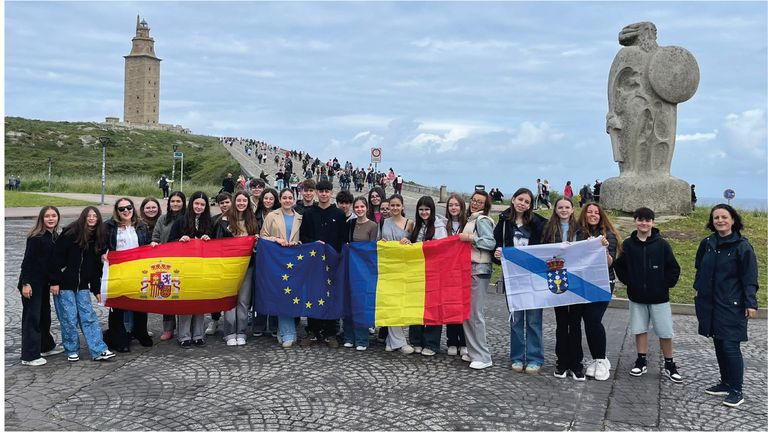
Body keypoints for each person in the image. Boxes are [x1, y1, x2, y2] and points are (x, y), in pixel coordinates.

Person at [694, 204, 759, 407]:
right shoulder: (708, 243)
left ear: (733, 220)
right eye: (716, 218)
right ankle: (725, 382)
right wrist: (698, 288)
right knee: (719, 343)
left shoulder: (742, 246)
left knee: (730, 346)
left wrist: (751, 303)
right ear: (712, 222)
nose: (720, 220)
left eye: (724, 217)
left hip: (732, 304)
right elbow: (699, 266)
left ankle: (736, 389)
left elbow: (749, 277)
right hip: (710, 302)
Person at [614, 207, 683, 383]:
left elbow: (673, 268)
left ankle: (669, 364)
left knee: (665, 331)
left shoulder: (662, 244)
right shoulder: (629, 244)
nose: (644, 223)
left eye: (647, 220)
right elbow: (619, 265)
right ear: (635, 221)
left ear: (652, 222)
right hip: (637, 296)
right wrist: (630, 281)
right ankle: (641, 360)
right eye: (640, 219)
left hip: (659, 297)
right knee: (640, 329)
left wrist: (665, 284)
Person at [50, 207, 115, 362]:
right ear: (83, 217)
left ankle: (99, 349)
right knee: (69, 317)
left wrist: (96, 289)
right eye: (89, 216)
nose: (92, 218)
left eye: (95, 216)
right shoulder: (70, 233)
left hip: (83, 286)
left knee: (89, 317)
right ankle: (71, 349)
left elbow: (94, 268)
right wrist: (55, 281)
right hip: (65, 285)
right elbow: (56, 258)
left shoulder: (98, 237)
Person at [493, 188, 547, 374]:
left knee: (533, 320)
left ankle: (534, 358)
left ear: (530, 205)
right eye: (520, 199)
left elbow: (546, 248)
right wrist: (497, 255)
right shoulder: (503, 221)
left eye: (527, 201)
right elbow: (497, 246)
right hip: (513, 279)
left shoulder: (539, 223)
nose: (522, 203)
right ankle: (516, 357)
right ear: (513, 199)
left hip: (534, 279)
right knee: (516, 320)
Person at [542, 197, 587, 381]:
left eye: (567, 207)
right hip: (557, 278)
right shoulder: (549, 229)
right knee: (561, 324)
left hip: (576, 280)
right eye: (560, 207)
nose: (563, 210)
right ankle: (562, 362)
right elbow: (542, 250)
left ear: (572, 209)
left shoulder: (581, 229)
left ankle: (576, 364)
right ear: (555, 209)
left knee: (575, 324)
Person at [299, 180, 347, 348]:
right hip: (314, 262)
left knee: (331, 295)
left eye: (327, 191)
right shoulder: (309, 213)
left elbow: (343, 239)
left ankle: (331, 332)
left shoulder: (339, 214)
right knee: (314, 294)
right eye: (321, 191)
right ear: (317, 193)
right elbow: (303, 237)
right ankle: (312, 330)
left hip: (333, 263)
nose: (324, 194)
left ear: (331, 193)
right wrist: (314, 243)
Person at [102, 198, 154, 352]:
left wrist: (152, 246)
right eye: (121, 209)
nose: (126, 211)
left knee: (141, 302)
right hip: (118, 270)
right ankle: (119, 338)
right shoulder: (109, 227)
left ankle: (140, 331)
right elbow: (102, 245)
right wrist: (102, 255)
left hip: (138, 270)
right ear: (116, 211)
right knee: (117, 304)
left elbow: (147, 244)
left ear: (133, 209)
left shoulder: (141, 226)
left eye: (128, 207)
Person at [578, 202, 621, 381]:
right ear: (584, 214)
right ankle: (597, 358)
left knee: (594, 320)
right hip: (582, 283)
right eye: (589, 212)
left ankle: (601, 359)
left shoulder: (608, 235)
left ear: (601, 215)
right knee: (588, 321)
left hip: (602, 282)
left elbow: (609, 262)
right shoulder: (578, 234)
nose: (593, 215)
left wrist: (602, 248)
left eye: (596, 212)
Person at [168, 191, 214, 348]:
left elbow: (217, 245)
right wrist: (180, 240)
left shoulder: (209, 223)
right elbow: (169, 243)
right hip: (184, 269)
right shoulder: (180, 221)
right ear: (191, 204)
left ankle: (198, 334)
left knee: (200, 301)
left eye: (202, 204)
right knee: (186, 302)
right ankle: (184, 335)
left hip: (202, 269)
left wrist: (209, 240)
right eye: (196, 203)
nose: (199, 207)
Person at [402, 196, 448, 357]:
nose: (424, 212)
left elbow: (442, 248)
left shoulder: (439, 227)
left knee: (433, 308)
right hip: (417, 273)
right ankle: (416, 340)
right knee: (416, 306)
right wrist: (407, 242)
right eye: (421, 209)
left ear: (432, 210)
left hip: (434, 273)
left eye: (427, 209)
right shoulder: (416, 226)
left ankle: (431, 343)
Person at [18, 206, 64, 366]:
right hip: (31, 283)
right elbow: (27, 262)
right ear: (41, 219)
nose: (51, 219)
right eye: (47, 216)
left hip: (43, 284)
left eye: (54, 216)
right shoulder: (36, 238)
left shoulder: (54, 236)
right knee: (32, 318)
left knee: (44, 316)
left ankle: (46, 346)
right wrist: (25, 283)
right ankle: (29, 356)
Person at [458, 190, 497, 370]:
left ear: (485, 205)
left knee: (476, 314)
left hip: (478, 270)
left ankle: (483, 355)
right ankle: (474, 351)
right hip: (469, 269)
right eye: (473, 200)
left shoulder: (483, 221)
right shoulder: (472, 219)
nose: (475, 203)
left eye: (479, 202)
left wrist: (471, 238)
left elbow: (490, 243)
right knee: (468, 313)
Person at [260, 188, 303, 348]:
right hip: (276, 260)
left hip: (294, 262)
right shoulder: (272, 216)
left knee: (291, 294)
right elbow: (262, 236)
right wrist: (277, 240)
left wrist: (298, 243)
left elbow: (302, 238)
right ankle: (288, 332)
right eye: (284, 197)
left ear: (294, 199)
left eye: (290, 197)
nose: (287, 200)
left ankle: (282, 329)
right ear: (280, 199)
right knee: (282, 294)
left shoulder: (300, 217)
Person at [215, 191, 259, 346]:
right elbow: (219, 244)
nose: (241, 203)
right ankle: (229, 332)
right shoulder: (224, 221)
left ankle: (241, 332)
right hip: (228, 268)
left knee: (243, 301)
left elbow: (256, 240)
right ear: (234, 202)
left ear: (248, 203)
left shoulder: (252, 220)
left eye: (244, 201)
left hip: (248, 266)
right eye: (239, 200)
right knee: (229, 300)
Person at [378, 193, 415, 354]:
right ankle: (397, 341)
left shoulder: (409, 223)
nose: (394, 208)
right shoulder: (384, 222)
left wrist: (409, 242)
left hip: (404, 268)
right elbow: (378, 241)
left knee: (401, 304)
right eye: (391, 205)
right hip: (388, 268)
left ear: (402, 207)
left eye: (397, 205)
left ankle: (392, 340)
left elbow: (415, 244)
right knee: (391, 304)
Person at [342, 196, 379, 351]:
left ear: (366, 208)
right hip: (350, 266)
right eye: (356, 207)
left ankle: (362, 338)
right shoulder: (350, 224)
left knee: (361, 302)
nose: (359, 210)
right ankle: (349, 336)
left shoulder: (373, 226)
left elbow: (372, 248)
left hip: (365, 270)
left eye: (362, 207)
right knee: (349, 301)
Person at [151, 191, 186, 341]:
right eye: (173, 201)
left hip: (184, 262)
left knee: (184, 295)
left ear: (184, 203)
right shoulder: (162, 219)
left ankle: (185, 328)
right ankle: (168, 328)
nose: (176, 204)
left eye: (179, 201)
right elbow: (156, 236)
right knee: (166, 295)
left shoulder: (188, 219)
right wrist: (154, 243)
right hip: (165, 262)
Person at [252, 188, 280, 337]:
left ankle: (275, 324)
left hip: (275, 257)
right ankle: (259, 324)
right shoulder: (255, 215)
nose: (268, 201)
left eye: (271, 199)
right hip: (259, 257)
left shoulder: (279, 216)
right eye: (266, 198)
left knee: (275, 289)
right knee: (260, 289)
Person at [443, 195, 468, 357]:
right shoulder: (444, 225)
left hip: (464, 269)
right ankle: (452, 340)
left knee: (463, 305)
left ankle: (464, 341)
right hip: (447, 270)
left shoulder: (468, 225)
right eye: (451, 205)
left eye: (456, 205)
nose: (453, 208)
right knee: (450, 305)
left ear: (461, 207)